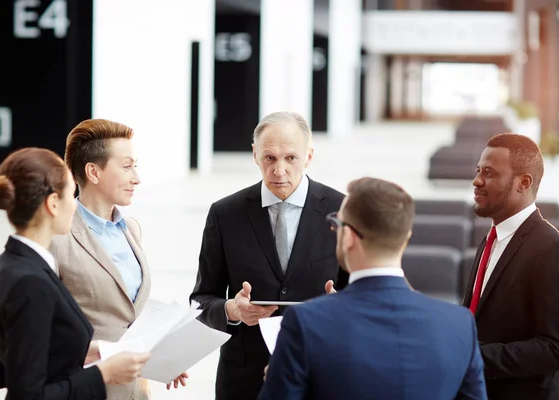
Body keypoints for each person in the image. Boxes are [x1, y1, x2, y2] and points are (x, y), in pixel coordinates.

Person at [259, 177, 487, 400]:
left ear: (347, 236)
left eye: (336, 224)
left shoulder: (305, 321)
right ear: (406, 238)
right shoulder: (459, 324)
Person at [190, 111, 348, 399]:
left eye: (290, 158)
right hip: (245, 378)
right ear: (255, 155)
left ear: (309, 156)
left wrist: (344, 307)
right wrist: (231, 311)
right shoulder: (225, 214)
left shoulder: (342, 211)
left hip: (320, 370)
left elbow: (362, 295)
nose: (279, 170)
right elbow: (201, 300)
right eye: (270, 158)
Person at [0, 147, 151, 399]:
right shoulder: (31, 282)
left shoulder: (6, 263)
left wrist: (90, 352)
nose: (74, 206)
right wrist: (103, 373)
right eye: (70, 195)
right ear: (52, 203)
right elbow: (29, 395)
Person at [50, 119, 187, 399]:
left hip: (136, 390)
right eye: (127, 166)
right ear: (93, 172)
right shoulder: (56, 238)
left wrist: (163, 357)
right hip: (85, 390)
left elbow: (130, 316)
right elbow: (42, 333)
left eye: (135, 166)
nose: (136, 177)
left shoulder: (131, 229)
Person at [463, 133, 559, 399]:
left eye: (490, 173)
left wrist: (471, 354)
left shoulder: (550, 248)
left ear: (523, 182)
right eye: (478, 170)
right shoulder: (490, 238)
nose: (477, 181)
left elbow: (553, 348)